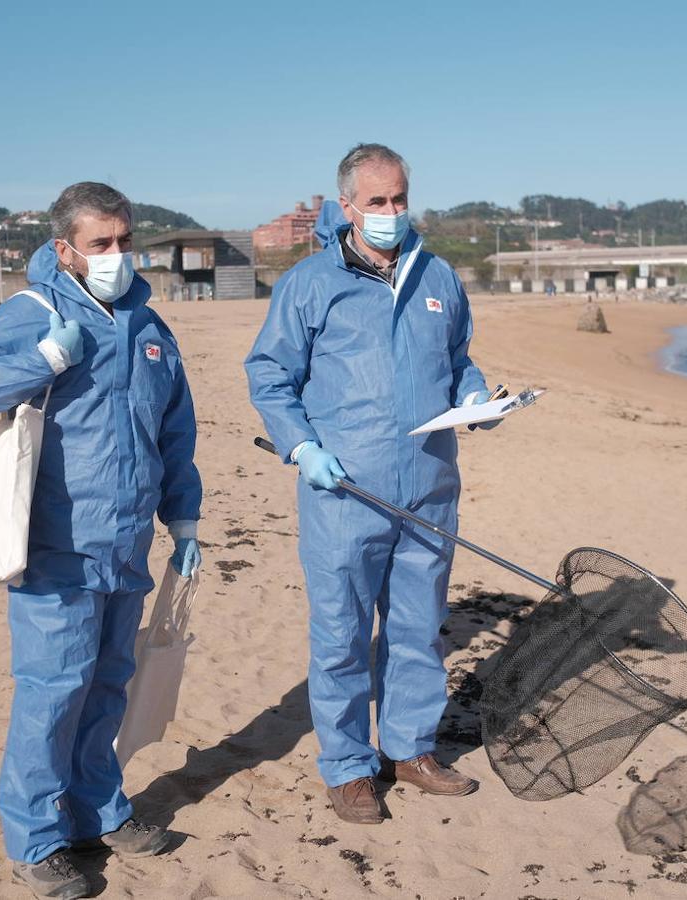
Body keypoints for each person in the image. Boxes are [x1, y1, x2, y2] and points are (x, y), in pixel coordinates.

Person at [0, 182, 202, 899]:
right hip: (56, 545)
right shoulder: (33, 313)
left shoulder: (149, 327)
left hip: (126, 547)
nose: (117, 255)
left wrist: (184, 516)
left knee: (108, 685)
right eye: (100, 244)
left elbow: (174, 431)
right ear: (65, 249)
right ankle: (35, 839)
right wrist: (44, 359)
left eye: (124, 241)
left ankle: (96, 810)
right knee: (52, 696)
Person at [245, 143, 500, 825]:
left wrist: (477, 399)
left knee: (418, 629)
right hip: (344, 493)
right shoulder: (309, 283)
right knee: (342, 635)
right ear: (348, 205)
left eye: (400, 199)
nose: (391, 213)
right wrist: (302, 448)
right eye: (377, 202)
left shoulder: (439, 276)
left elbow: (457, 360)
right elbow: (269, 376)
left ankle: (411, 749)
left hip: (428, 487)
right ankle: (349, 767)